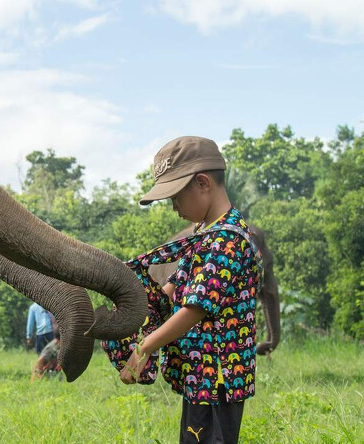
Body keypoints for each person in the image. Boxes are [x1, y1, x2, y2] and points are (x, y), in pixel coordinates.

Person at [116, 136, 262, 444]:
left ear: (202, 183)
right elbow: (174, 287)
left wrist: (145, 348)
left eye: (175, 198)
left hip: (220, 376)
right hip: (202, 375)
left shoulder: (228, 241)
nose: (174, 208)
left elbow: (195, 308)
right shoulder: (206, 236)